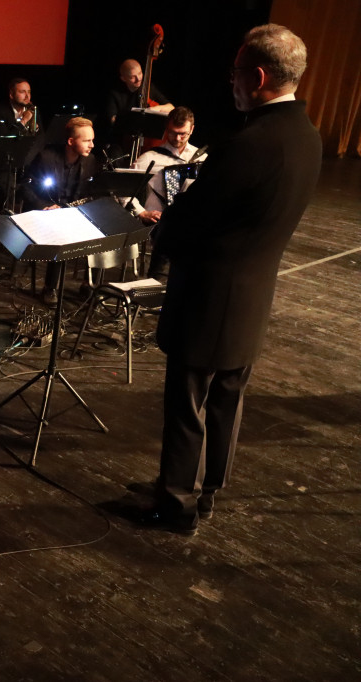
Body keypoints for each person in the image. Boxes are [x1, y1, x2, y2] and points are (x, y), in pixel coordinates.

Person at [139, 24, 322, 535]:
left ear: (257, 76)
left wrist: (164, 230)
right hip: (252, 295)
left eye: (236, 72)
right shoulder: (308, 136)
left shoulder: (247, 144)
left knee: (188, 407)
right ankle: (205, 490)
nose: (232, 82)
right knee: (225, 403)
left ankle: (175, 506)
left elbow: (193, 219)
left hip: (209, 298)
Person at [119, 106, 208, 278]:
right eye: (173, 133)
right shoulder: (150, 158)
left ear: (192, 129)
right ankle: (157, 282)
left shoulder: (202, 159)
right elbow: (123, 189)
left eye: (183, 134)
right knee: (170, 230)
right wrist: (141, 212)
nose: (178, 138)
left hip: (190, 220)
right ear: (166, 128)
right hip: (158, 221)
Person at [21, 116, 100, 304]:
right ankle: (50, 287)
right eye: (87, 140)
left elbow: (92, 191)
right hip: (45, 212)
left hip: (71, 212)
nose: (92, 145)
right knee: (62, 235)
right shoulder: (46, 157)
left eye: (92, 140)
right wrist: (44, 206)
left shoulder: (90, 161)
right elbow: (26, 187)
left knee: (101, 232)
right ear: (71, 141)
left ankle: (89, 284)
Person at [104, 59, 174, 126]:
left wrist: (152, 110)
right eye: (132, 77)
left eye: (140, 73)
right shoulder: (114, 94)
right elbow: (113, 120)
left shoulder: (149, 88)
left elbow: (171, 107)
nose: (138, 79)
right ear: (123, 78)